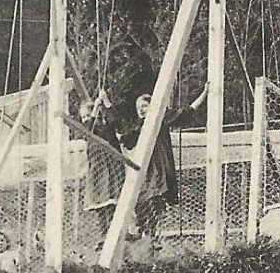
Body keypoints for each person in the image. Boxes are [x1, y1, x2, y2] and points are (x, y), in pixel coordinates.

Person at [118, 85, 208, 262]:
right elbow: (125, 139)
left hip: (160, 171)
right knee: (142, 205)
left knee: (156, 203)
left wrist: (205, 93)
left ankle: (150, 241)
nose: (142, 110)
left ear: (153, 106)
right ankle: (144, 239)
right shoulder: (138, 128)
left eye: (145, 106)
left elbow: (186, 112)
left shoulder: (161, 119)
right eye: (139, 109)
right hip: (146, 173)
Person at [78, 89, 123, 241]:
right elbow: (86, 131)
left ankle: (113, 235)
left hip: (111, 167)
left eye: (87, 115)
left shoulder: (105, 126)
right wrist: (93, 112)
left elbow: (118, 123)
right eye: (83, 117)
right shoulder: (88, 129)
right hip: (97, 170)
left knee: (111, 203)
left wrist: (106, 102)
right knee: (100, 206)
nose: (85, 119)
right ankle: (104, 236)